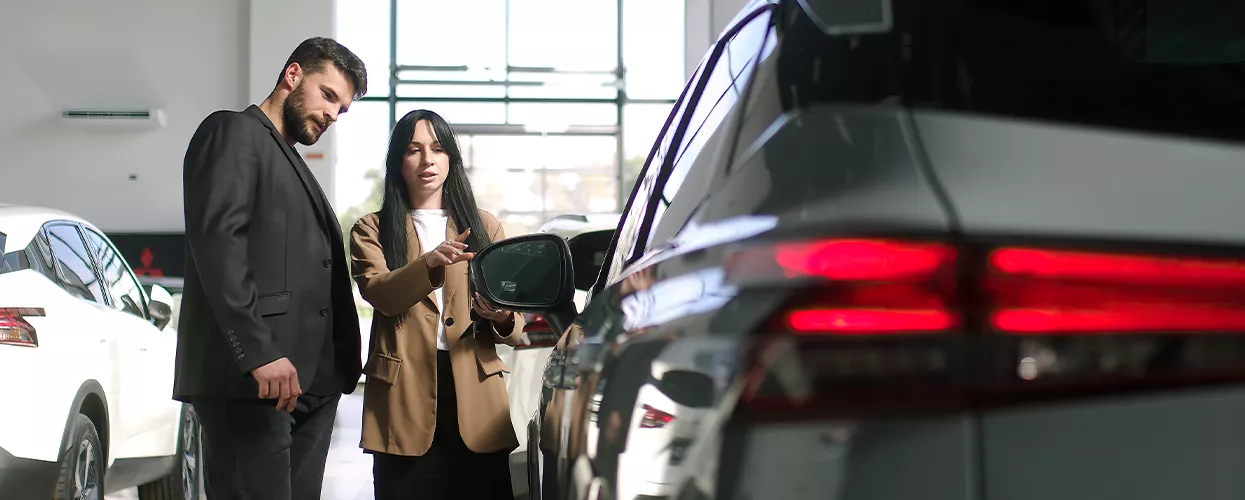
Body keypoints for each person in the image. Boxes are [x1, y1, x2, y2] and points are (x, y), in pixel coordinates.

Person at [174, 37, 368, 500]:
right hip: (254, 381)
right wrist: (258, 351)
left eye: (341, 109)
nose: (332, 115)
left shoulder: (290, 160)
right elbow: (219, 242)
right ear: (293, 74)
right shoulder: (232, 132)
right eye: (328, 95)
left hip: (308, 387)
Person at [349, 109, 524, 499]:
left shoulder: (485, 226)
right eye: (414, 150)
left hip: (474, 390)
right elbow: (380, 293)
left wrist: (502, 317)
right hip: (404, 393)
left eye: (438, 149)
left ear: (451, 159)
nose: (427, 160)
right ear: (398, 161)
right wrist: (429, 262)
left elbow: (515, 321)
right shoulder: (371, 229)